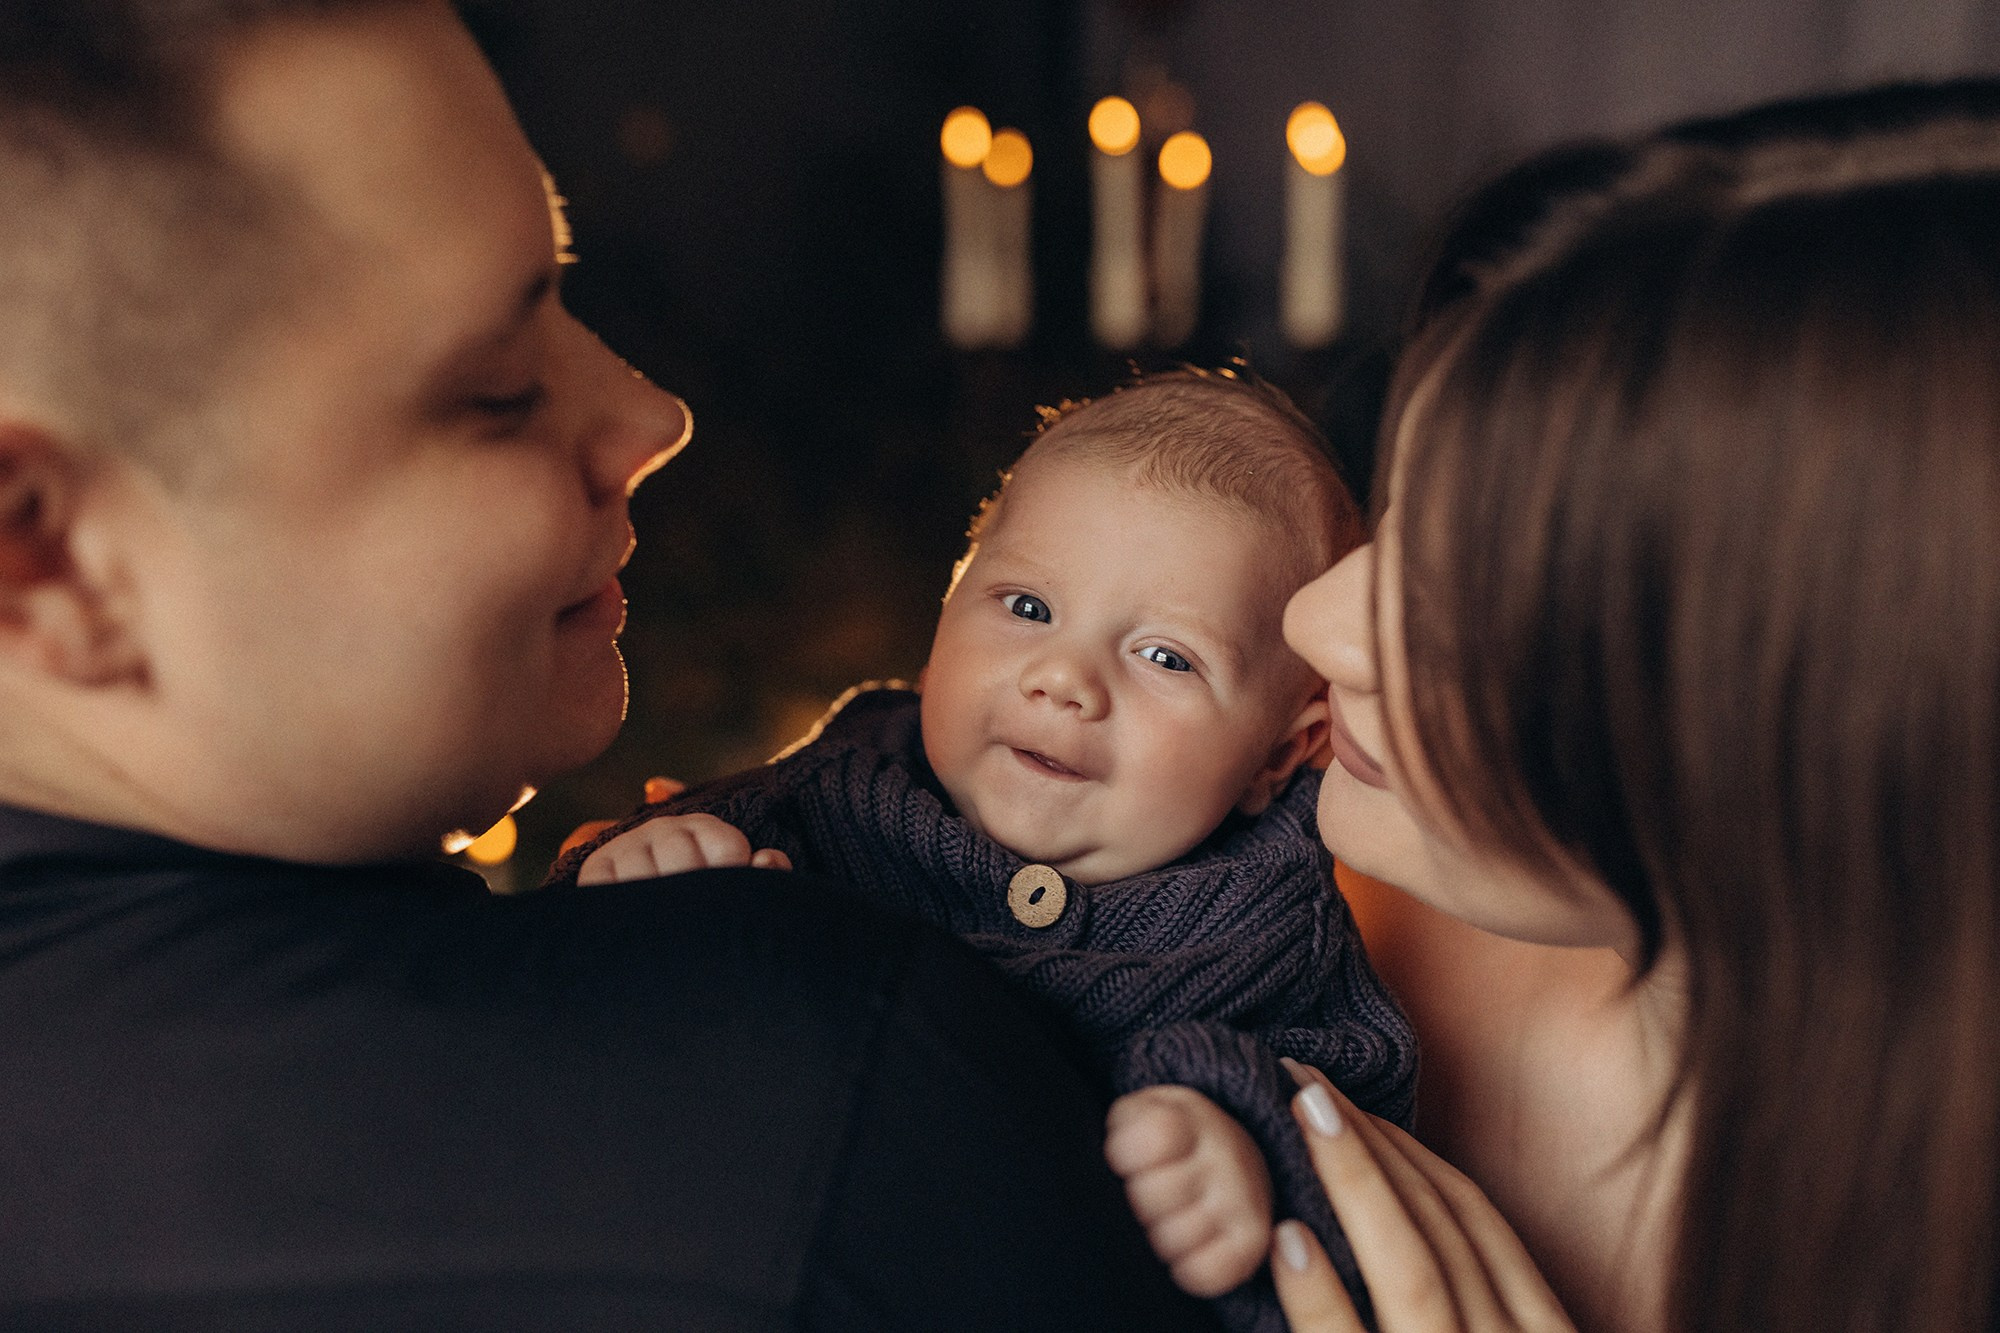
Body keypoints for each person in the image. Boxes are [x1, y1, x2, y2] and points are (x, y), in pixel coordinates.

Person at [0, 1, 1223, 1327]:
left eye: (564, 292)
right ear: (47, 554)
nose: (651, 418)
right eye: (496, 388)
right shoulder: (805, 1106)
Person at [1256, 81, 2000, 1333]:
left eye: (1467, 599)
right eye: (1393, 510)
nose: (1313, 621)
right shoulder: (1263, 893)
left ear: (1816, 729)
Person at [561, 372, 1418, 1331]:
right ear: (947, 610)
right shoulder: (828, 790)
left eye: (1166, 657)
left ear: (1279, 753)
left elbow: (1360, 1098)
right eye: (1024, 607)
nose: (1063, 678)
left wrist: (1243, 1143)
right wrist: (647, 866)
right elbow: (582, 964)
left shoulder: (1275, 918)